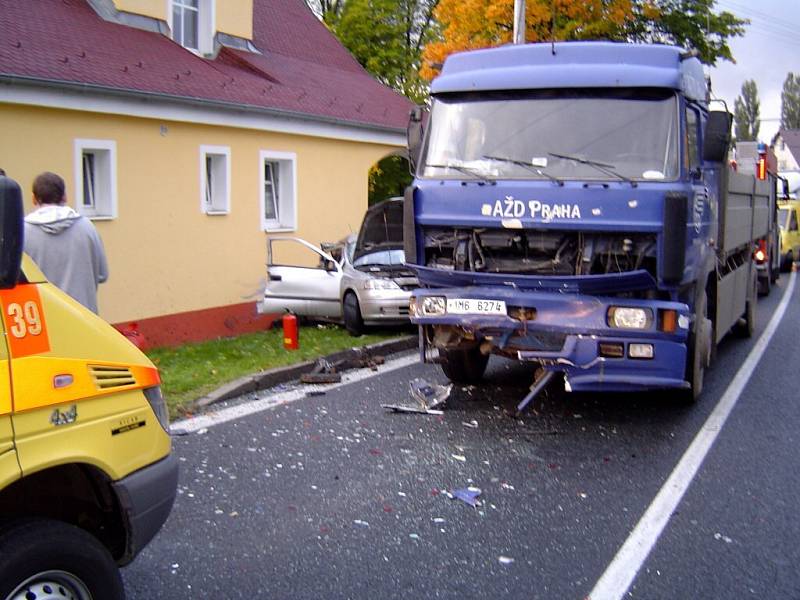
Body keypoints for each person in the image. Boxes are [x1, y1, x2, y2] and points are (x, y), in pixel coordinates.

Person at [24, 172, 108, 313]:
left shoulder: (21, 232)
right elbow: (102, 274)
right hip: (85, 320)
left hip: (44, 321)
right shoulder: (87, 227)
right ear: (64, 197)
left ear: (33, 198)